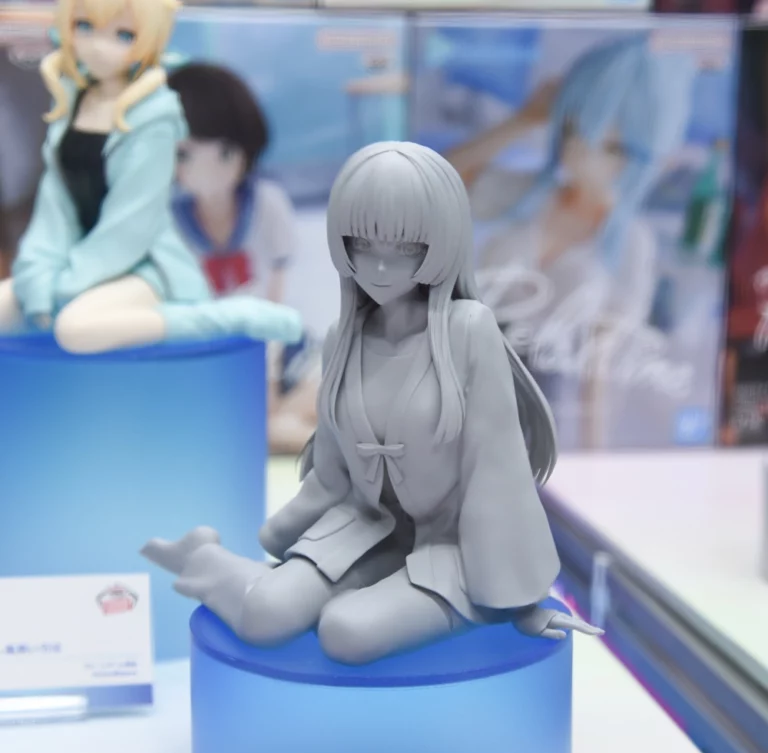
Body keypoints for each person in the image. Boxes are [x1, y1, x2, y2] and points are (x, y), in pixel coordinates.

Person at [141, 141, 602, 666]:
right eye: (362, 243)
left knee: (346, 631)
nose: (380, 264)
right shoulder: (344, 336)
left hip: (449, 549)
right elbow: (333, 472)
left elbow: (495, 466)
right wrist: (285, 537)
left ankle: (312, 589)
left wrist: (519, 599)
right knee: (265, 614)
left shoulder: (467, 330)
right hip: (365, 527)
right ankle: (204, 559)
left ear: (440, 241)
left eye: (405, 247)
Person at [0, 0, 301, 354]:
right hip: (76, 265)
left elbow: (131, 227)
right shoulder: (70, 103)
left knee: (76, 330)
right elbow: (55, 205)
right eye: (84, 27)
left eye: (124, 35)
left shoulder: (157, 116)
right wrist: (39, 272)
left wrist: (66, 284)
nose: (99, 47)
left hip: (145, 268)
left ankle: (225, 316)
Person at [447, 35, 695, 447]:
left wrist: (594, 457)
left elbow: (600, 368)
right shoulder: (530, 195)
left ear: (645, 156)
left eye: (610, 146)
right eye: (572, 128)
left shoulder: (631, 242)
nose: (580, 150)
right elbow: (431, 183)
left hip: (541, 405)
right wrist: (522, 121)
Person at [168, 62, 320, 454]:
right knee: (244, 431)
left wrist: (266, 381)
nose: (207, 169)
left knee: (332, 392)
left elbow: (277, 304)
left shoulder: (267, 204)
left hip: (283, 352)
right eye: (183, 154)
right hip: (215, 364)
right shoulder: (169, 223)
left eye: (224, 153)